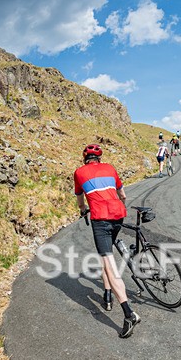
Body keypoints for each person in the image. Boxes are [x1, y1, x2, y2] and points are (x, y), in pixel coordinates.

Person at [74, 144, 141, 338]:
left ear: (85, 159)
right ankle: (107, 294)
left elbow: (80, 199)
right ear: (99, 159)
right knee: (106, 257)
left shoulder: (79, 173)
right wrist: (119, 206)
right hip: (117, 216)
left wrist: (82, 210)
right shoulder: (110, 168)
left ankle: (129, 314)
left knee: (109, 265)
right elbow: (123, 194)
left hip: (101, 220)